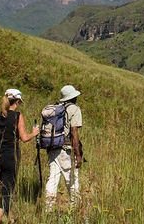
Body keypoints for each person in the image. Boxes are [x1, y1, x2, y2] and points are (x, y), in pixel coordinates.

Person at [0, 88, 40, 224]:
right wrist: (34, 133)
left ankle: (11, 218)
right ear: (17, 101)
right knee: (6, 190)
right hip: (10, 156)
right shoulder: (17, 116)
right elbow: (24, 137)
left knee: (1, 186)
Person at [44, 85, 83, 213]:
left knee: (53, 178)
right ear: (73, 97)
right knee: (71, 179)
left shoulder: (56, 108)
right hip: (65, 150)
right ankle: (74, 209)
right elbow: (74, 132)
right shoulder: (74, 109)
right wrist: (77, 154)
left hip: (52, 147)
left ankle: (48, 210)